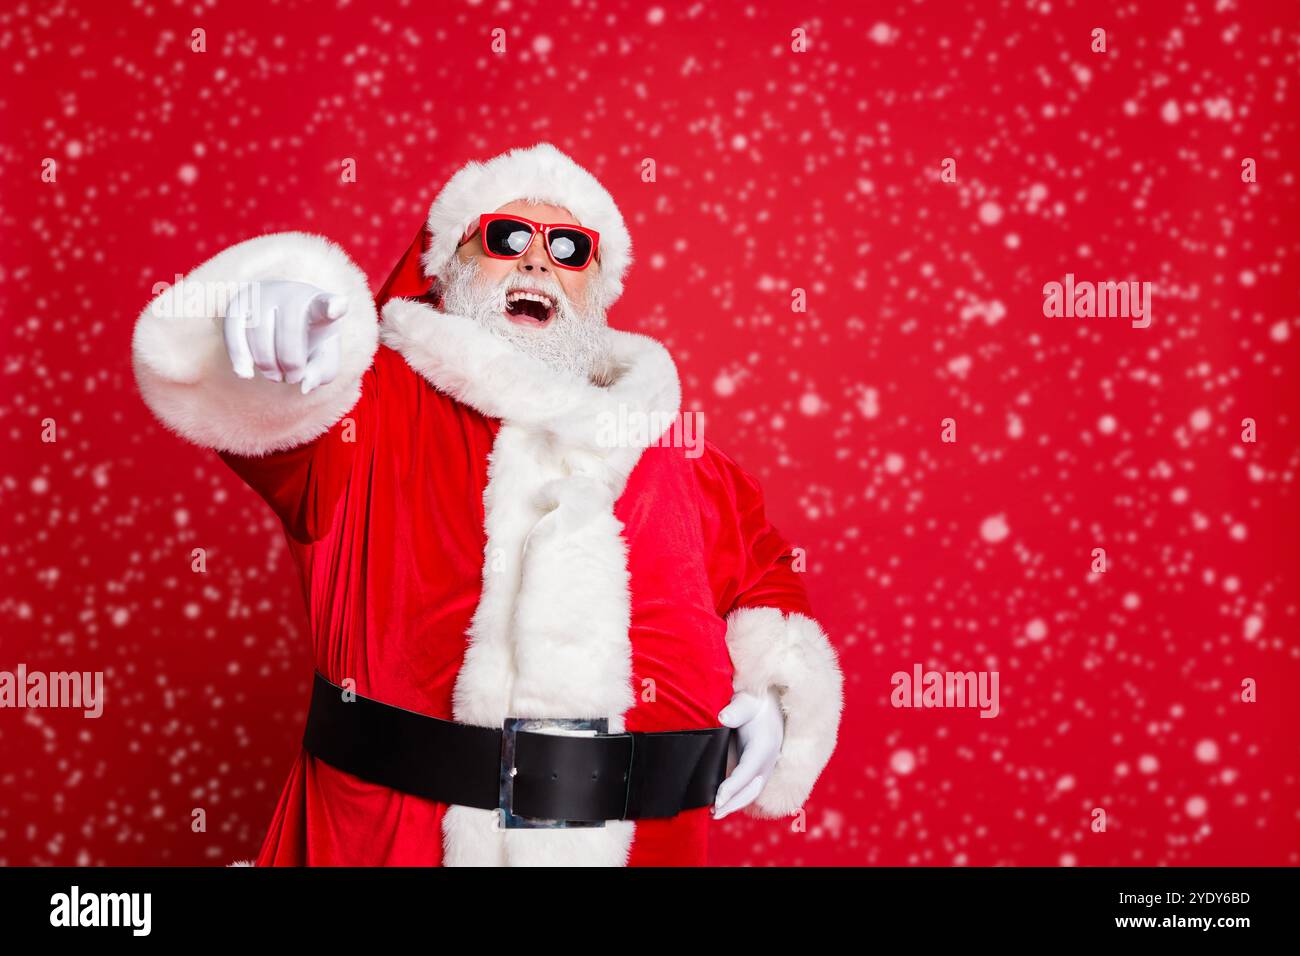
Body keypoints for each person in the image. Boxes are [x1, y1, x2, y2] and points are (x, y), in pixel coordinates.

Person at [131, 142, 843, 866]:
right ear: (450, 265)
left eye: (570, 248)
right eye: (507, 237)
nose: (539, 262)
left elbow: (764, 573)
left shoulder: (678, 449)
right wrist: (258, 319)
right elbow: (270, 424)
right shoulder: (369, 406)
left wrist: (779, 693)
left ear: (598, 287)